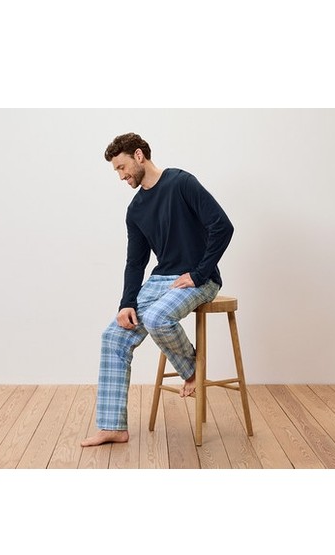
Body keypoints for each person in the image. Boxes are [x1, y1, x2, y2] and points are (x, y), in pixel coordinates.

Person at [81, 133, 234, 447]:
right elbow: (135, 262)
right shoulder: (135, 209)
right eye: (116, 170)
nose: (121, 176)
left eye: (122, 167)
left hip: (200, 279)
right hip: (160, 280)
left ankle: (192, 372)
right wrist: (126, 303)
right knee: (113, 336)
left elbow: (222, 226)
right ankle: (113, 427)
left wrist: (199, 273)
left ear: (139, 156)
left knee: (156, 318)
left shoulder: (181, 182)